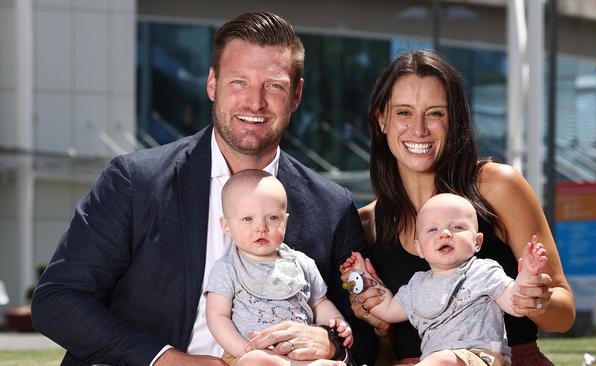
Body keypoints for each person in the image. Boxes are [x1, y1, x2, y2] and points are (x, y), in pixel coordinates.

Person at [31, 11, 376, 366]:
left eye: (273, 85)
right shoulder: (135, 182)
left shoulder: (332, 207)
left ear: (297, 95)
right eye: (239, 82)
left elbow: (366, 337)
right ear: (212, 83)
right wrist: (166, 360)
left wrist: (331, 342)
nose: (255, 102)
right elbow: (58, 300)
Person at [340, 50, 575, 365]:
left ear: (454, 120)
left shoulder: (497, 186)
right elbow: (382, 355)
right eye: (404, 113)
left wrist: (536, 298)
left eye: (435, 113)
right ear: (382, 119)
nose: (419, 129)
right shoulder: (367, 223)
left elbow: (564, 315)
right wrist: (379, 327)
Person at [342, 193, 548, 366]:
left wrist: (528, 277)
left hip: (481, 358)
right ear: (420, 249)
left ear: (477, 242)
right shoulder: (417, 285)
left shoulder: (483, 272)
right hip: (434, 361)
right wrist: (361, 278)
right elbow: (387, 309)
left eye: (457, 227)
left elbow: (516, 303)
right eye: (433, 229)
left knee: (443, 359)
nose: (445, 234)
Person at [206, 170, 351, 366]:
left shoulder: (301, 263)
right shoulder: (227, 268)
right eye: (248, 219)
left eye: (272, 218)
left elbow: (320, 303)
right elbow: (217, 317)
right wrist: (243, 348)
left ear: (285, 221)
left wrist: (337, 323)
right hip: (249, 353)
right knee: (255, 362)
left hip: (298, 350)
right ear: (227, 226)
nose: (262, 227)